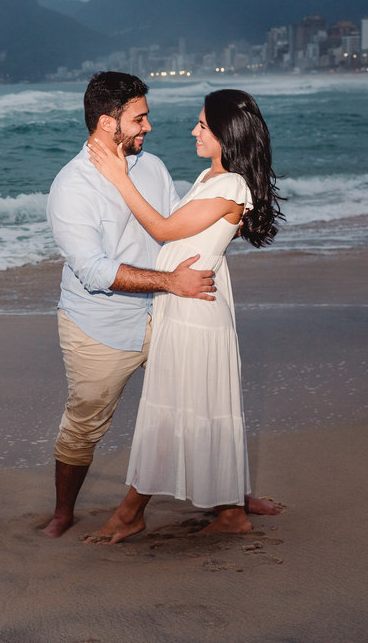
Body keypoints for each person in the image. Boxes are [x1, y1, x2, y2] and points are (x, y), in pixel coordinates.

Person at [86, 88, 283, 542]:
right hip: (183, 303)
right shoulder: (210, 177)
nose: (194, 131)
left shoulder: (232, 184)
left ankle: (132, 512)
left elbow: (163, 229)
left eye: (203, 125)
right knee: (194, 405)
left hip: (196, 313)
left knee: (176, 409)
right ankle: (231, 512)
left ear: (225, 134)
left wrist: (120, 177)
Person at [42, 72, 217, 538]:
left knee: (201, 399)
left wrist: (232, 210)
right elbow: (95, 270)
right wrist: (172, 282)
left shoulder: (152, 167)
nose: (149, 127)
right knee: (85, 423)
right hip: (99, 325)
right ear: (107, 123)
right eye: (139, 118)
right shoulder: (71, 187)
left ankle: (231, 502)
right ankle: (63, 512)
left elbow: (176, 227)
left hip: (164, 311)